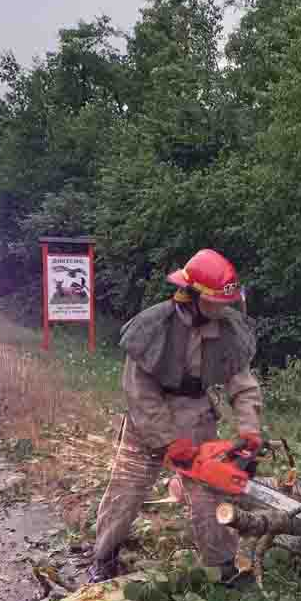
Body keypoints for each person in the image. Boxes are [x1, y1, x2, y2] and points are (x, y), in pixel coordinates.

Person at [88, 248, 263, 583]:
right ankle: (104, 557)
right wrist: (167, 441)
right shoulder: (155, 325)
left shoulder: (227, 328)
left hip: (197, 419)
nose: (224, 309)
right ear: (194, 294)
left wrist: (249, 429)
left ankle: (223, 566)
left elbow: (243, 383)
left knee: (209, 494)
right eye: (217, 302)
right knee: (127, 489)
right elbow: (139, 393)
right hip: (149, 422)